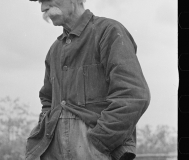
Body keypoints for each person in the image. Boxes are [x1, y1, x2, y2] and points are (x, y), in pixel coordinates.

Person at [26, 0, 150, 160]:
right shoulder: (54, 50)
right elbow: (47, 101)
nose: (43, 8)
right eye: (41, 2)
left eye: (48, 0)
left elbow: (133, 95)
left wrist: (98, 142)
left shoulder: (109, 32)